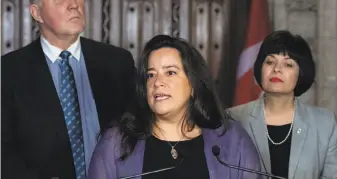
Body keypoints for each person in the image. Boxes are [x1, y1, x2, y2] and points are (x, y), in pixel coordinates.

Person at [1, 0, 136, 179]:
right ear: (37, 13)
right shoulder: (8, 72)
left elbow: (138, 131)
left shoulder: (118, 62)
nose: (75, 4)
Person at [87, 34, 262, 179]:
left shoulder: (231, 140)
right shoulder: (117, 143)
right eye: (151, 75)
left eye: (170, 72)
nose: (157, 83)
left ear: (193, 85)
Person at [229, 30, 337, 179]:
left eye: (288, 64)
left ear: (301, 73)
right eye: (270, 62)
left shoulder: (325, 123)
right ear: (260, 68)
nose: (277, 69)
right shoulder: (233, 119)